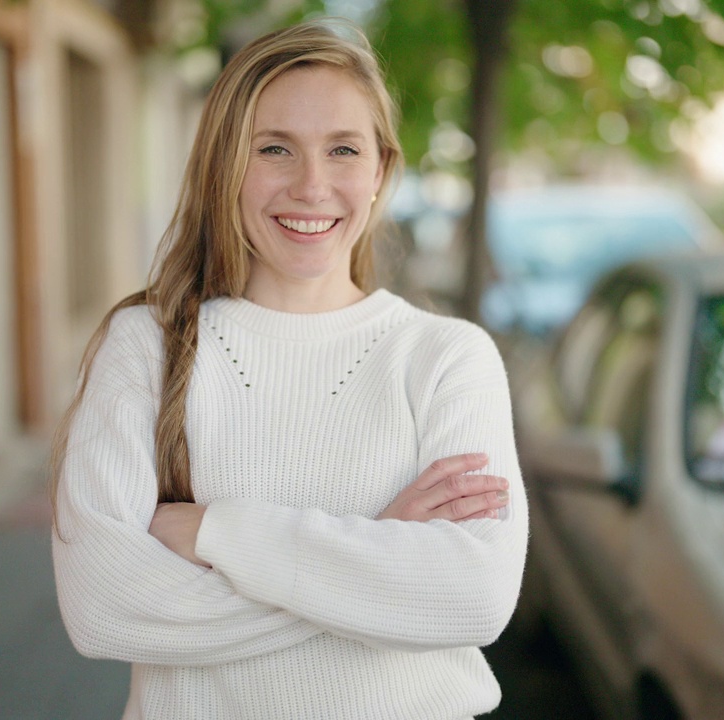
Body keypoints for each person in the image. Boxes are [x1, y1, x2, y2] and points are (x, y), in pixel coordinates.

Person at [50, 18, 527, 720]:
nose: (311, 185)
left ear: (380, 173)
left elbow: (473, 597)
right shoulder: (148, 346)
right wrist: (378, 559)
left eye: (342, 150)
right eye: (274, 148)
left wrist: (213, 531)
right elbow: (101, 608)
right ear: (225, 167)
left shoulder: (444, 359)